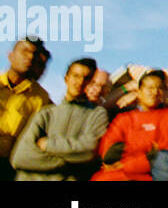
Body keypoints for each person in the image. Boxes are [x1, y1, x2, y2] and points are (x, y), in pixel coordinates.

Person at [11, 57, 108, 181]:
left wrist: (49, 145)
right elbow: (20, 158)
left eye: (86, 78)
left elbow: (90, 150)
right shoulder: (46, 113)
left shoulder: (97, 115)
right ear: (66, 78)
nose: (80, 82)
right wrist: (68, 162)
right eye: (76, 76)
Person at [91, 69, 168, 181]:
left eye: (160, 88)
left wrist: (127, 164)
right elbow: (108, 147)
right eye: (150, 88)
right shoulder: (124, 119)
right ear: (139, 92)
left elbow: (164, 151)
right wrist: (112, 161)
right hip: (117, 173)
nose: (155, 92)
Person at [0, 37, 52, 181]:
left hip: (8, 165)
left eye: (34, 54)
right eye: (24, 51)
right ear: (10, 55)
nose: (29, 57)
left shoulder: (41, 97)